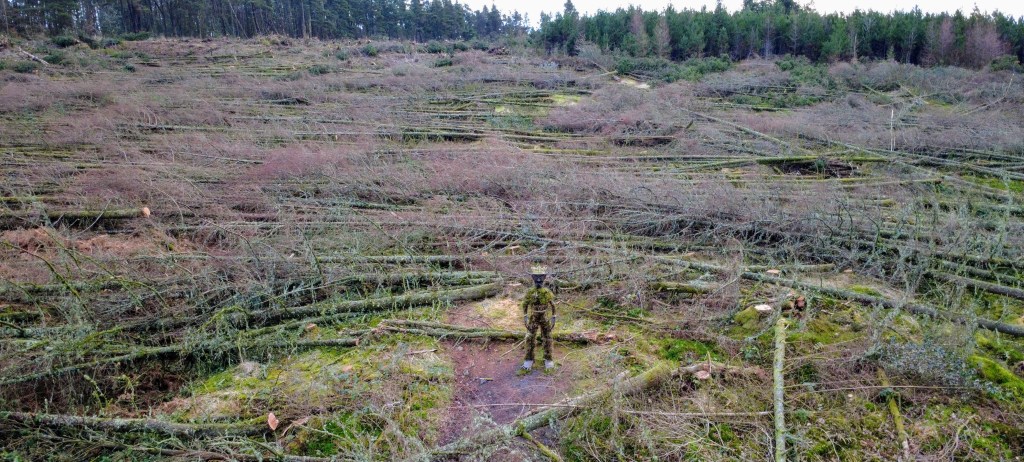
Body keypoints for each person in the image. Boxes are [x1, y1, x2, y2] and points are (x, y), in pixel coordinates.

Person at [522, 266, 556, 372]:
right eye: (536, 277)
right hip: (534, 317)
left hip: (544, 317)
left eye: (541, 277)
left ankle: (548, 359)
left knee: (548, 337)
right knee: (530, 337)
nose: (538, 280)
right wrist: (525, 316)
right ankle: (529, 359)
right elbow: (525, 304)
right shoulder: (530, 292)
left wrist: (554, 317)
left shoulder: (546, 293)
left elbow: (553, 305)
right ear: (532, 277)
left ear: (544, 277)